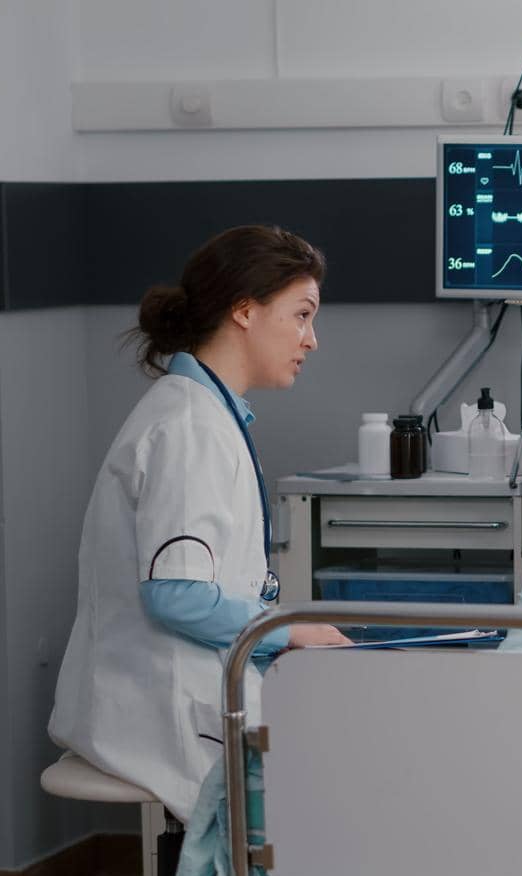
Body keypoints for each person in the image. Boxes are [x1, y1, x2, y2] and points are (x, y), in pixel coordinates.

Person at [49, 225, 351, 822]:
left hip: (183, 683)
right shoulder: (190, 427)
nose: (311, 340)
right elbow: (178, 596)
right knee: (339, 796)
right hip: (161, 710)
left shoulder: (207, 413)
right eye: (301, 315)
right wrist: (288, 631)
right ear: (244, 309)